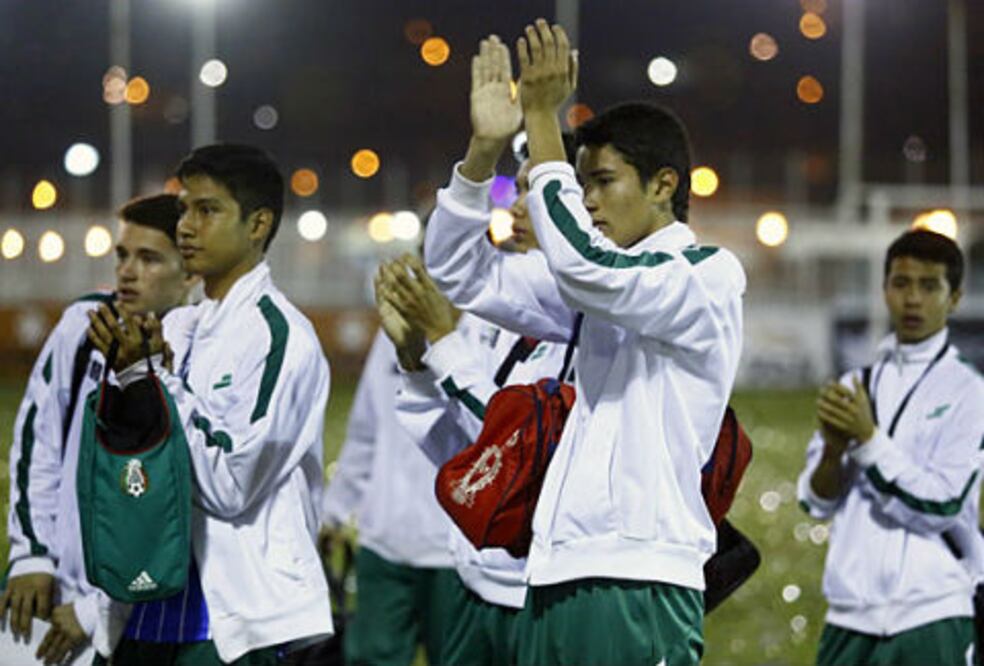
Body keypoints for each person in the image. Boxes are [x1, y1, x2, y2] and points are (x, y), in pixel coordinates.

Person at [422, 24, 746, 665]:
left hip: (640, 578)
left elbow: (587, 268)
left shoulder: (706, 275)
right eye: (580, 185)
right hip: (557, 568)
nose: (588, 200)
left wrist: (543, 119)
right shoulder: (596, 286)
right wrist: (482, 154)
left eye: (601, 181)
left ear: (663, 185)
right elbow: (458, 269)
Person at [85, 144, 334, 665]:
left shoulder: (280, 336)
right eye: (183, 210)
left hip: (230, 628)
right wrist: (125, 386)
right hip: (143, 608)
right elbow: (132, 467)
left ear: (258, 224)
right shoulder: (177, 325)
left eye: (207, 210)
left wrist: (152, 383)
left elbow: (231, 484)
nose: (186, 227)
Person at [1, 194, 196, 664]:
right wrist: (31, 554)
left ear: (190, 273)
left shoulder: (200, 352)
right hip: (52, 589)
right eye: (122, 255)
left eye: (149, 258)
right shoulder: (83, 323)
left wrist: (98, 611)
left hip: (145, 616)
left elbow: (180, 509)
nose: (127, 271)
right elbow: (38, 441)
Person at [798, 229, 984, 666]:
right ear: (884, 290)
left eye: (929, 286)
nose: (913, 299)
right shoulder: (854, 385)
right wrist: (832, 452)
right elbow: (815, 502)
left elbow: (942, 502)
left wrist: (868, 441)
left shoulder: (969, 392)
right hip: (849, 615)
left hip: (932, 613)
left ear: (954, 299)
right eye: (901, 283)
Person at [320, 292, 458, 665]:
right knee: (370, 658)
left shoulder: (489, 326)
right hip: (383, 540)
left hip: (459, 551)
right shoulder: (393, 332)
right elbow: (366, 428)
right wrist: (335, 511)